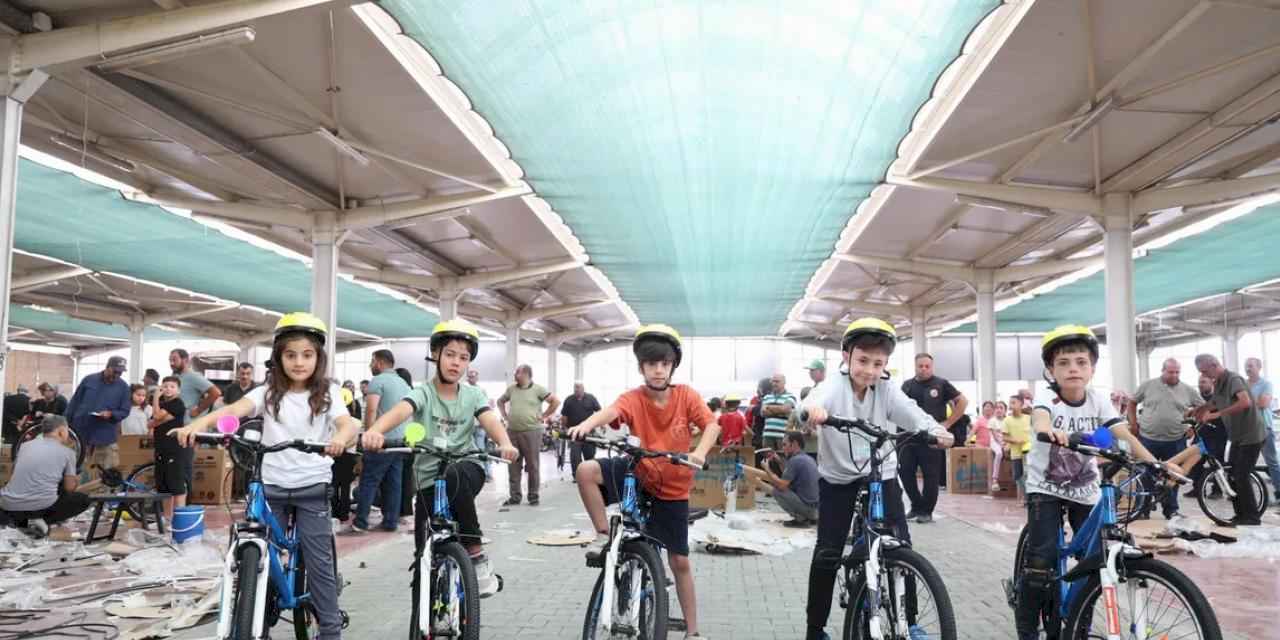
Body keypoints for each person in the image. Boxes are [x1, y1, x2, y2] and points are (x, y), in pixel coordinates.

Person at [172, 312, 359, 640]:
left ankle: (330, 631)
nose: (299, 362)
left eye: (307, 354)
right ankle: (253, 625)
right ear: (278, 358)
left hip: (312, 487)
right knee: (257, 558)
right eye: (290, 355)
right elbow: (231, 411)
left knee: (319, 567)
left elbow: (347, 423)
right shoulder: (266, 392)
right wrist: (195, 425)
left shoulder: (327, 391)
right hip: (271, 486)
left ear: (319, 357)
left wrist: (340, 439)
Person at [797, 318, 952, 640]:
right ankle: (816, 628)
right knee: (828, 551)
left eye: (877, 363)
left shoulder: (887, 388)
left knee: (901, 545)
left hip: (883, 474)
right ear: (846, 356)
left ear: (886, 365)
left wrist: (935, 430)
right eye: (862, 361)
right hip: (838, 478)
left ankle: (909, 622)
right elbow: (813, 400)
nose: (869, 370)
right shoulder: (833, 386)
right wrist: (813, 412)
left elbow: (911, 413)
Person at [566, 324, 719, 640]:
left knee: (679, 560)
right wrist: (585, 424)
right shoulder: (633, 398)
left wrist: (700, 453)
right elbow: (611, 411)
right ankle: (603, 536)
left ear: (672, 365)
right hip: (639, 472)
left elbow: (711, 425)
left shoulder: (686, 396)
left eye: (664, 363)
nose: (658, 369)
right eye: (651, 364)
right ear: (641, 367)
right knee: (585, 472)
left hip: (674, 487)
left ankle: (693, 632)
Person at [1016, 326, 1166, 640]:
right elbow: (1040, 419)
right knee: (1041, 561)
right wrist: (1050, 432)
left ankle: (1079, 628)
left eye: (1082, 362)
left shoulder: (1098, 400)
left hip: (1084, 490)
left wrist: (1155, 463)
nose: (1073, 368)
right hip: (1045, 488)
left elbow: (1123, 433)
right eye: (1064, 363)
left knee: (1093, 562)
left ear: (1092, 369)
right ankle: (1027, 629)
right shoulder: (1048, 396)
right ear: (1051, 371)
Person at [362, 320, 519, 597]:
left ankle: (475, 552)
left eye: (463, 358)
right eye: (450, 355)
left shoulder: (473, 394)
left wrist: (505, 442)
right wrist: (375, 430)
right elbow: (401, 410)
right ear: (435, 354)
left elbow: (489, 419)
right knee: (423, 556)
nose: (456, 363)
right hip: (428, 479)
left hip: (466, 468)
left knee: (456, 473)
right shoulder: (423, 392)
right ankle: (422, 616)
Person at [1191, 354, 1267, 525]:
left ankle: (1252, 517)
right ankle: (1240, 515)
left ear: (1214, 364)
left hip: (1252, 435)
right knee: (1231, 474)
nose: (1204, 376)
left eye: (1204, 371)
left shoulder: (1233, 379)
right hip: (1238, 437)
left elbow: (1245, 402)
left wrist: (1217, 414)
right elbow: (1215, 402)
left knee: (1241, 475)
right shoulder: (1218, 383)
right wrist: (1200, 409)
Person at [1127, 358, 1203, 519]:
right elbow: (1132, 402)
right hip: (1148, 438)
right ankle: (1142, 510)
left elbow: (1203, 408)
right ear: (1163, 371)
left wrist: (1192, 425)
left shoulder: (1188, 390)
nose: (1174, 375)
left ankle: (1171, 510)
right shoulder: (1148, 386)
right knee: (1144, 474)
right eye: (1171, 372)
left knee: (1173, 476)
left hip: (1175, 440)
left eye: (1177, 372)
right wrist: (1133, 423)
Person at [900, 353, 968, 523]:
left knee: (931, 475)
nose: (923, 369)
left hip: (932, 437)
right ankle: (916, 505)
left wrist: (948, 423)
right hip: (908, 436)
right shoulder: (906, 385)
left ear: (932, 367)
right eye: (920, 366)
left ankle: (927, 511)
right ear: (915, 366)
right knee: (905, 472)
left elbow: (963, 401)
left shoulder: (941, 384)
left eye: (927, 366)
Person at [0, 416, 89, 538]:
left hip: (7, 506)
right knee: (83, 500)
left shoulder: (24, 446)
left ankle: (19, 523)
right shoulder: (68, 453)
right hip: (38, 508)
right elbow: (69, 488)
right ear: (61, 431)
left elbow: (14, 474)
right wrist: (75, 478)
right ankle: (38, 523)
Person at [352, 349, 412, 533]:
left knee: (368, 481)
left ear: (379, 362)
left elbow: (371, 411)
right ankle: (390, 522)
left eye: (372, 361)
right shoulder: (404, 384)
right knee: (394, 483)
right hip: (400, 442)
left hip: (380, 440)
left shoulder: (377, 381)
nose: (371, 365)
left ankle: (360, 522)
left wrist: (369, 436)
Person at [497, 364, 560, 506]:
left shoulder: (538, 389)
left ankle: (533, 496)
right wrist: (505, 415)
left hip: (532, 431)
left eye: (517, 373)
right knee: (513, 464)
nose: (514, 375)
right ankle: (515, 496)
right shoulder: (511, 389)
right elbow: (500, 401)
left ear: (526, 374)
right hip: (512, 432)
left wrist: (544, 415)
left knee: (532, 465)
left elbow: (555, 401)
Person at [65, 356, 132, 472]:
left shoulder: (123, 387)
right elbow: (74, 402)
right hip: (81, 432)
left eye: (120, 373)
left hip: (105, 435)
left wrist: (111, 414)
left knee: (106, 473)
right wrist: (66, 423)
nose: (116, 375)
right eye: (115, 371)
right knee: (74, 469)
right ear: (108, 367)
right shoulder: (89, 380)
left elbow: (125, 411)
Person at [750, 432, 819, 527]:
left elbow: (781, 485)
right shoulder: (806, 458)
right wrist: (779, 461)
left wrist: (766, 468)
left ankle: (801, 520)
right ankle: (809, 518)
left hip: (809, 509)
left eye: (784, 444)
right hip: (816, 510)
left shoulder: (795, 461)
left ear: (794, 444)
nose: (782, 448)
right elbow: (788, 476)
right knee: (781, 486)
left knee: (778, 490)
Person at [149, 376, 189, 523]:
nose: (168, 389)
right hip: (161, 448)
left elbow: (157, 416)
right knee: (164, 486)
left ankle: (180, 519)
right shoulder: (162, 404)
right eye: (165, 386)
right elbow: (152, 422)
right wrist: (156, 419)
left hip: (174, 449)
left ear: (178, 390)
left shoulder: (177, 403)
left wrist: (155, 399)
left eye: (172, 386)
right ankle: (167, 518)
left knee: (176, 484)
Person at [1244, 357, 1280, 498]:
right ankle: (1245, 493)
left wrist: (1244, 403)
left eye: (1251, 366)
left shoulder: (1266, 384)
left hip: (1264, 428)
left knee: (1272, 461)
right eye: (1246, 366)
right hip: (1247, 429)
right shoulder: (1243, 384)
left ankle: (1279, 492)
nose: (1248, 368)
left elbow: (1264, 403)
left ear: (1259, 367)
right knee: (1244, 462)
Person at [560, 382, 602, 478]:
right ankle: (577, 476)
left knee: (590, 454)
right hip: (574, 432)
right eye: (575, 388)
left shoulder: (591, 398)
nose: (576, 390)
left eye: (578, 388)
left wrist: (602, 425)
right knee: (575, 456)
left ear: (583, 388)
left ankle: (590, 474)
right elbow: (564, 415)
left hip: (589, 432)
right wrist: (564, 428)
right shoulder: (569, 400)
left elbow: (599, 412)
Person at [170, 349, 222, 425]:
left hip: (187, 424)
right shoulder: (175, 376)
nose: (171, 363)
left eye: (174, 360)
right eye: (170, 360)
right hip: (175, 420)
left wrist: (198, 410)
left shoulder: (193, 376)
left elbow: (216, 392)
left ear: (185, 360)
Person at [464, 369, 493, 480]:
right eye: (470, 376)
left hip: (480, 425)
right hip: (469, 425)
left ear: (477, 378)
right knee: (468, 450)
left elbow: (486, 407)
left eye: (474, 376)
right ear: (467, 377)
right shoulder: (464, 389)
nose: (472, 378)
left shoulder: (482, 390)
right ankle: (474, 472)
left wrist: (484, 422)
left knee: (481, 449)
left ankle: (486, 473)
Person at [1002, 394, 1032, 503]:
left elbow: (1034, 434)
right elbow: (1004, 436)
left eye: (1014, 402)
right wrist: (1015, 441)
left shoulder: (1028, 418)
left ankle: (1029, 499)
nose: (1011, 405)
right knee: (1017, 476)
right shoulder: (1007, 420)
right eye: (1010, 403)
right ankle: (1025, 497)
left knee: (1029, 475)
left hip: (1029, 453)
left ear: (1021, 404)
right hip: (1015, 453)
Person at [760, 373, 798, 450]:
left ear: (784, 382)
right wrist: (780, 410)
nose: (774, 384)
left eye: (777, 381)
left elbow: (785, 409)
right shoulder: (767, 397)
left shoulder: (790, 396)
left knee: (782, 458)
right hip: (767, 435)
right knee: (768, 460)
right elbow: (763, 413)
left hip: (783, 436)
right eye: (773, 381)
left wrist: (768, 407)